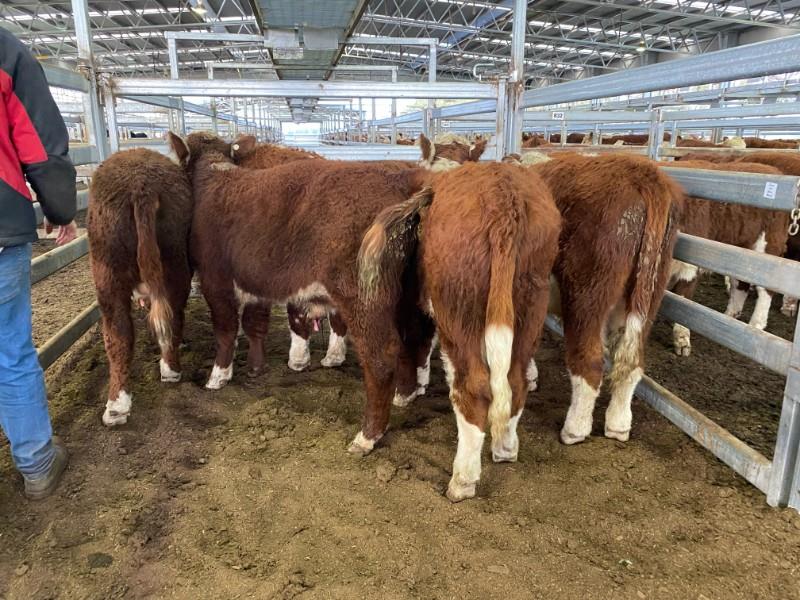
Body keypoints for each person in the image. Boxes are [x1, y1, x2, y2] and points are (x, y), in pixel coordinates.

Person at [0, 29, 78, 499]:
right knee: (10, 352)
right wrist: (61, 209)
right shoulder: (6, 51)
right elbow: (38, 139)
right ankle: (36, 464)